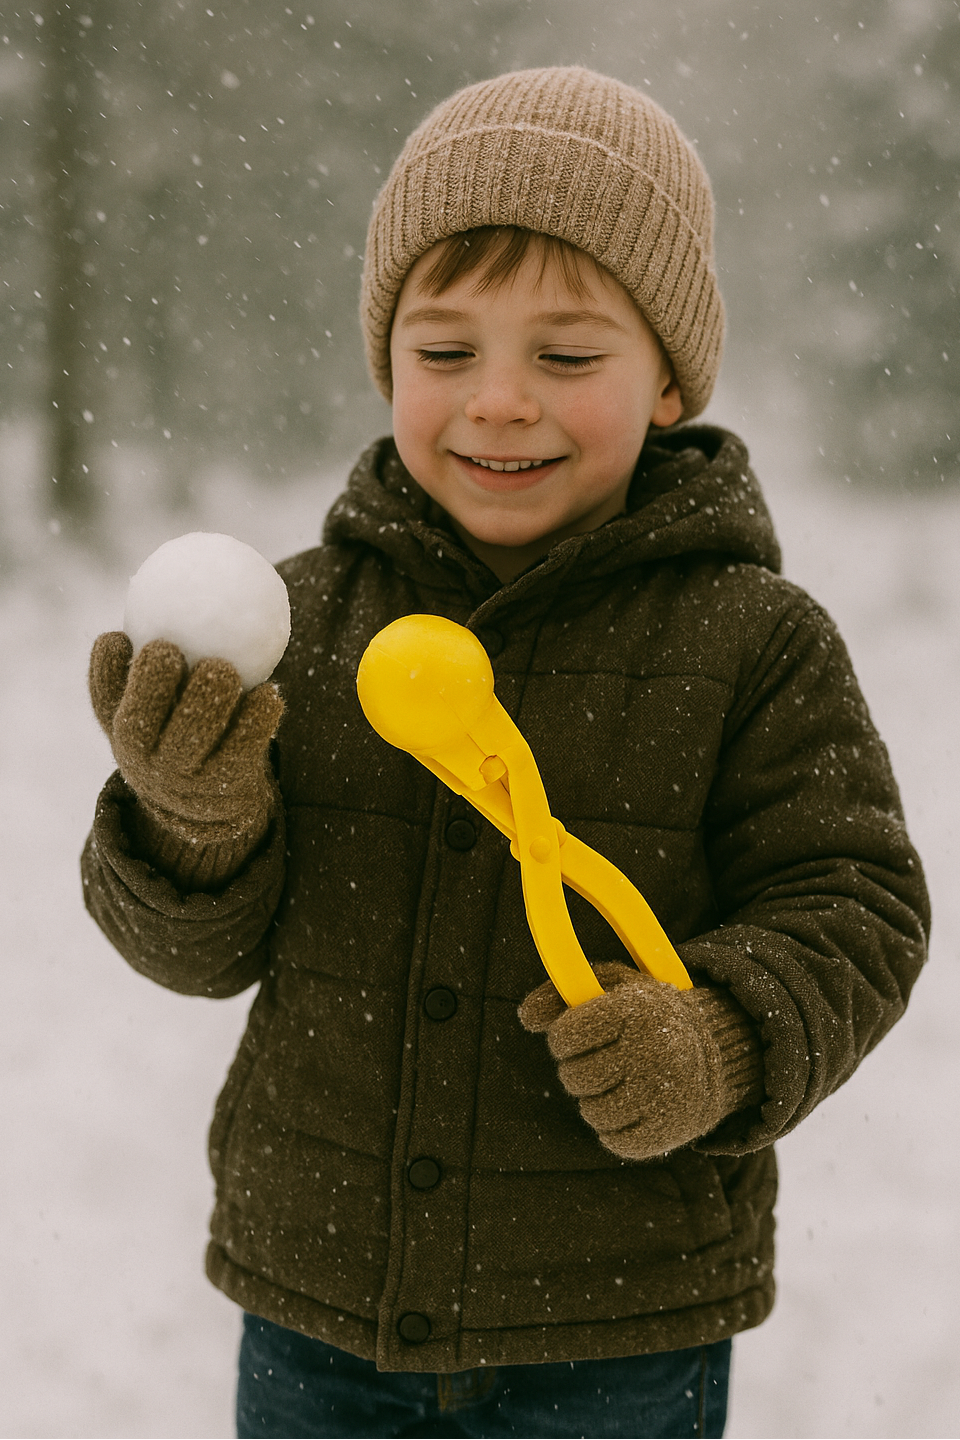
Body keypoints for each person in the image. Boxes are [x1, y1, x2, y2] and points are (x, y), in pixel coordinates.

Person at [82, 68, 929, 1440]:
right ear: (388, 364)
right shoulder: (298, 623)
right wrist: (191, 820)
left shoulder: (749, 640)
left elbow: (857, 907)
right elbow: (195, 951)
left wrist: (716, 1038)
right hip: (319, 1306)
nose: (500, 403)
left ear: (668, 382)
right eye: (447, 350)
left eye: (570, 355)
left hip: (615, 1321)